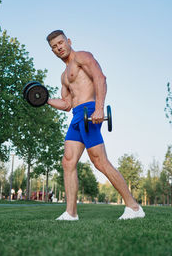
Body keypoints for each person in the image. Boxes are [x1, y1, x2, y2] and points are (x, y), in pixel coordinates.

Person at [46, 30, 145, 221]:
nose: (58, 48)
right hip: (76, 116)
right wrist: (45, 100)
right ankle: (71, 213)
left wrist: (99, 108)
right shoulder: (64, 76)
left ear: (68, 41)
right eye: (54, 47)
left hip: (89, 113)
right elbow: (66, 104)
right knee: (68, 162)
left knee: (100, 161)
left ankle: (133, 207)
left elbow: (100, 78)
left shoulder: (82, 56)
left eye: (60, 43)